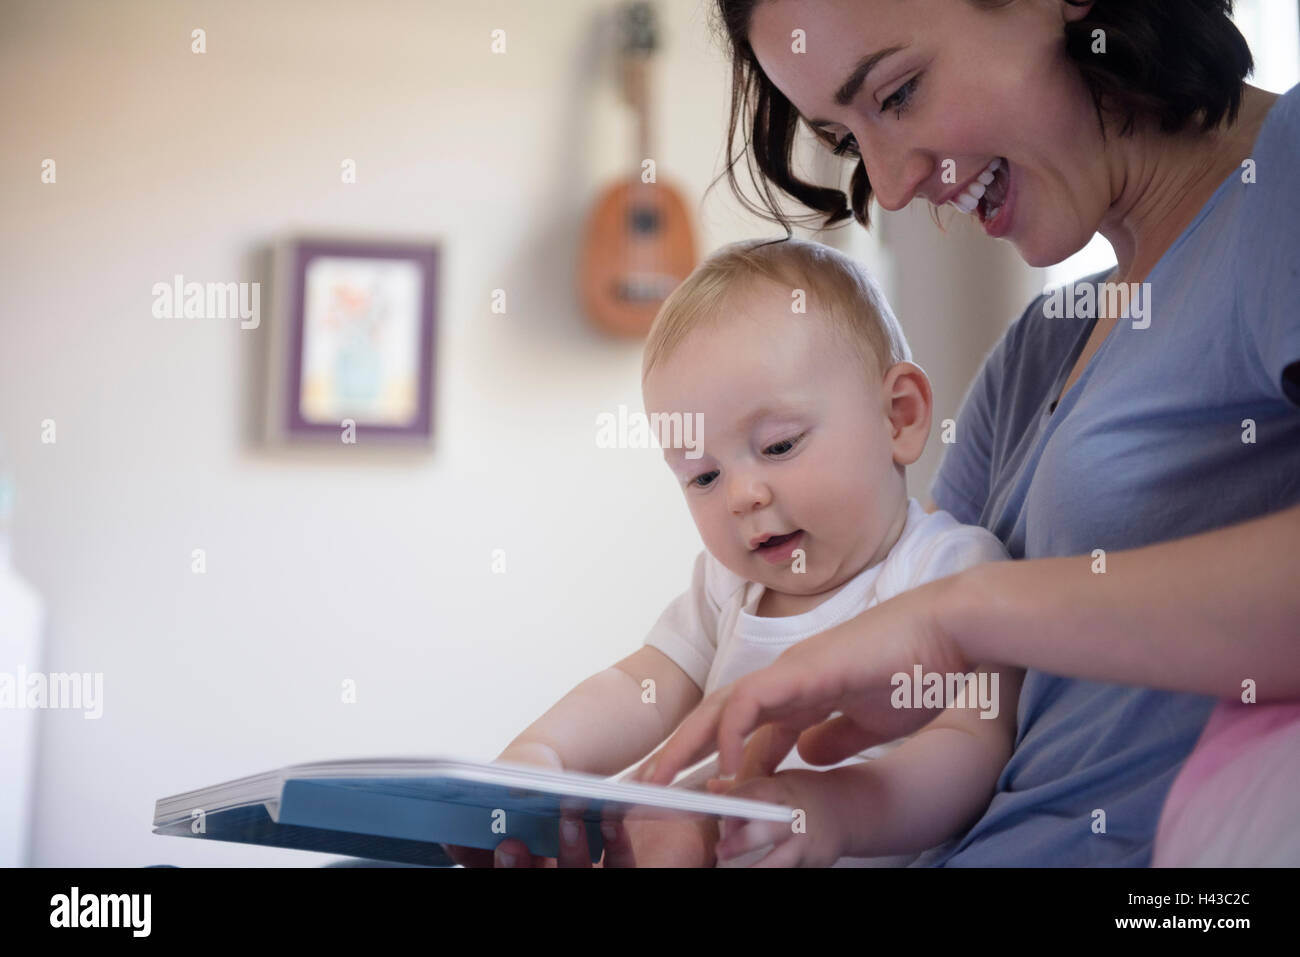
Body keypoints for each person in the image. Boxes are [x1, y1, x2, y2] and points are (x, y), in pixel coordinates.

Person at [633, 0, 1300, 866]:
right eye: (843, 140)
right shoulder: (1033, 356)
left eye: (899, 92)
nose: (894, 184)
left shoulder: (1282, 183)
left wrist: (964, 615)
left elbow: (941, 627)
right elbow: (927, 713)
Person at [445, 237, 1016, 867]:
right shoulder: (727, 588)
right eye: (703, 477)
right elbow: (641, 685)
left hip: (846, 845)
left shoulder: (944, 572)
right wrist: (544, 755)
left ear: (898, 416)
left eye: (778, 446)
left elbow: (972, 745)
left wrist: (837, 809)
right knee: (646, 815)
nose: (741, 495)